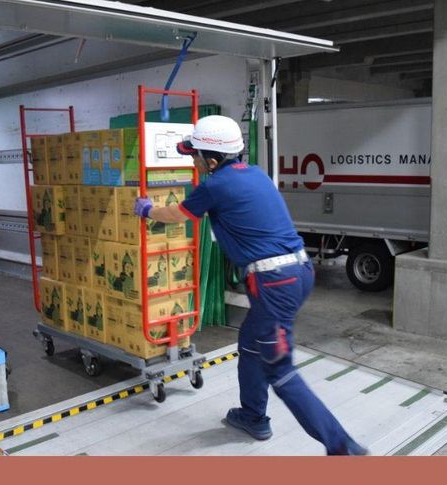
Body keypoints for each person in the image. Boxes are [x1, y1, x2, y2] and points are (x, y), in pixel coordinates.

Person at [134, 115, 368, 456]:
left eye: (195, 155)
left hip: (274, 283)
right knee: (250, 342)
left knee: (279, 368)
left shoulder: (215, 186)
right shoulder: (255, 174)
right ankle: (253, 416)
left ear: (212, 160)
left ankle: (342, 447)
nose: (193, 161)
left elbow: (178, 215)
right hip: (298, 271)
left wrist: (146, 209)